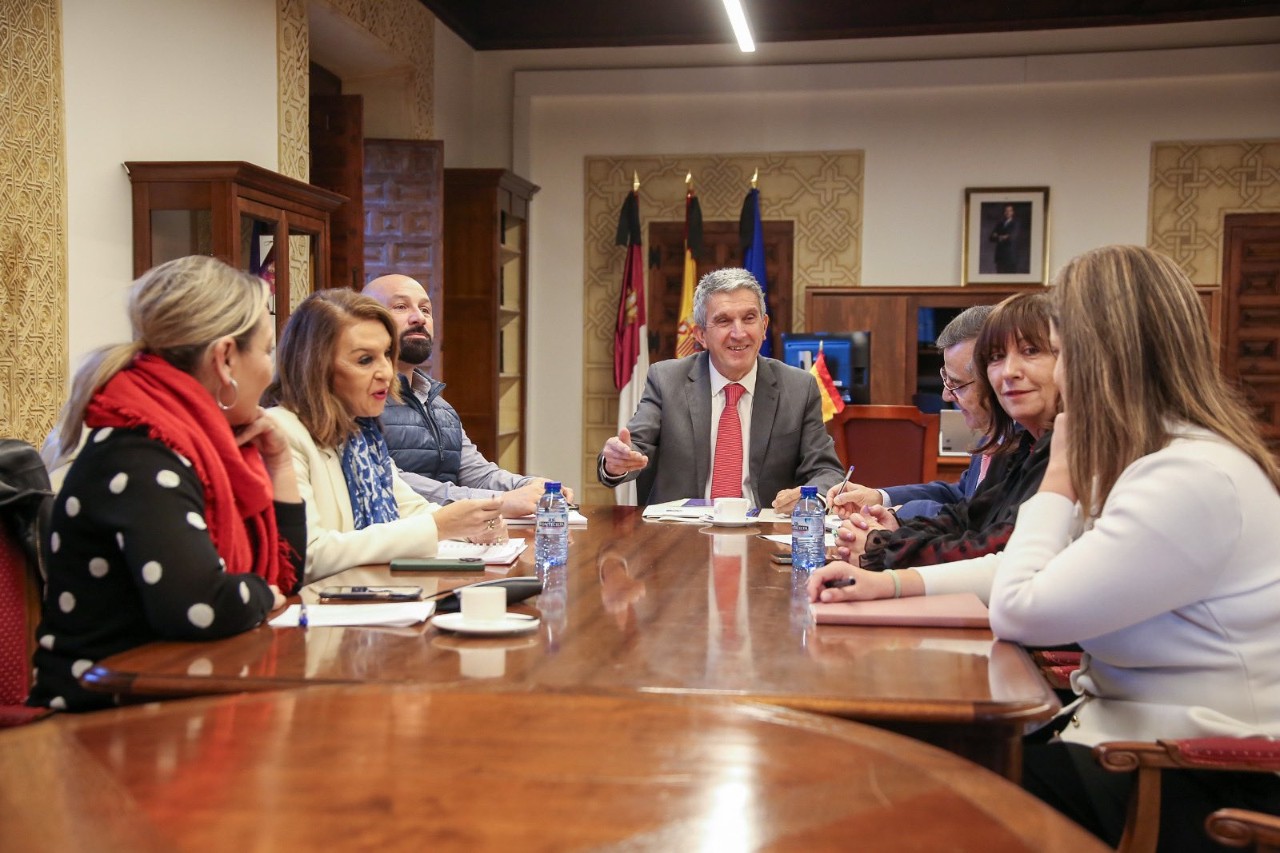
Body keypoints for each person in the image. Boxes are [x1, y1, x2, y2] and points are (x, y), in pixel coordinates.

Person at [988, 246, 1280, 850]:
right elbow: (1045, 574)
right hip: (1133, 748)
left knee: (924, 781)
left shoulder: (1191, 478)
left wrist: (1058, 478)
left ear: (1100, 360)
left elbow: (1020, 606)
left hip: (1197, 778)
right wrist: (891, 587)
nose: (1059, 375)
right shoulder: (1162, 462)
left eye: (1061, 353)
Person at [29, 256, 305, 712]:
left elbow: (287, 577)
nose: (271, 371)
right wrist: (261, 594)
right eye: (267, 351)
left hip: (173, 696)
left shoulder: (200, 445)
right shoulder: (138, 452)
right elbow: (202, 606)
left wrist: (279, 466)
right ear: (225, 359)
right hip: (99, 719)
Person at [813, 290, 1058, 587]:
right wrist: (893, 531)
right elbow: (969, 514)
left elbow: (997, 546)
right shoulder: (1023, 445)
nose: (1009, 372)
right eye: (997, 358)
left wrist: (884, 548)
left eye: (1031, 351)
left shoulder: (1055, 446)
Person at [264, 289, 503, 583]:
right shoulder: (281, 432)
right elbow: (310, 555)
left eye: (387, 355)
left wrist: (472, 526)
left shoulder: (362, 433)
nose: (386, 373)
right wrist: (438, 527)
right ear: (316, 366)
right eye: (365, 360)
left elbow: (409, 507)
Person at [598, 268, 844, 508]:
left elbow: (826, 470)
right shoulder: (666, 379)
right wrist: (616, 462)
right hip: (682, 536)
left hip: (764, 533)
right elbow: (635, 447)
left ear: (764, 326)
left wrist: (811, 498)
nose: (739, 333)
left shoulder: (799, 388)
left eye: (749, 318)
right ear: (701, 335)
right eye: (724, 321)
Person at [363, 274, 572, 518]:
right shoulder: (361, 402)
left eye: (425, 309)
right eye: (400, 307)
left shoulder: (438, 405)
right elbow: (392, 484)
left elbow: (476, 472)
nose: (419, 318)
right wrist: (499, 502)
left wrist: (529, 487)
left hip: (449, 540)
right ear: (366, 323)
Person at [828, 304, 995, 521]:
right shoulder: (994, 434)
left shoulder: (1025, 443)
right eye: (947, 380)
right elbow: (958, 495)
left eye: (957, 383)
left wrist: (897, 514)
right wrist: (879, 497)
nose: (946, 395)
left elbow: (977, 517)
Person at [989, 204, 1020, 274]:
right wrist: (1003, 236)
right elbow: (991, 238)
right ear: (1004, 212)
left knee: (1010, 280)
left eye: (1010, 211)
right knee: (999, 279)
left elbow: (1011, 238)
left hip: (1010, 256)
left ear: (1013, 212)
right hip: (1000, 256)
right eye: (1006, 211)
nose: (1008, 212)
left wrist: (998, 236)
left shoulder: (1016, 224)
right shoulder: (999, 224)